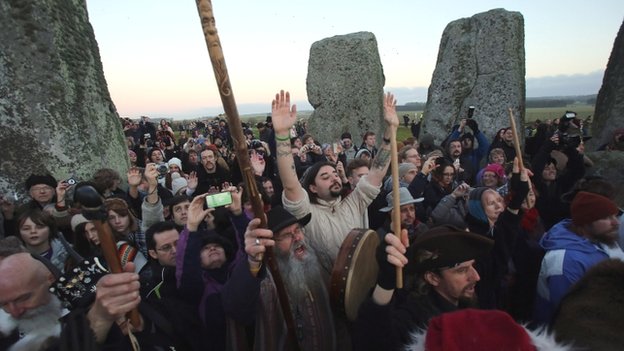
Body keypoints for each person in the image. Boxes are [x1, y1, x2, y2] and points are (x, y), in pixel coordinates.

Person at [272, 90, 398, 273]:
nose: (334, 178)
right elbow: (291, 185)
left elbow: (377, 171)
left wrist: (390, 130)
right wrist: (283, 135)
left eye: (335, 174)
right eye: (325, 177)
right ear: (312, 188)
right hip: (328, 292)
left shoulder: (354, 202)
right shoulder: (307, 215)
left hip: (364, 283)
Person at [353, 225, 493, 351]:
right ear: (433, 278)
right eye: (462, 270)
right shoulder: (416, 320)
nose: (476, 277)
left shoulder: (467, 301)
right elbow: (373, 343)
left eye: (472, 266)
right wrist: (386, 283)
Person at [223, 207, 336, 350]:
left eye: (298, 230)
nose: (297, 238)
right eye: (287, 235)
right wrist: (252, 261)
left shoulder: (319, 260)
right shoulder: (263, 279)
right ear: (271, 244)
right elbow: (237, 309)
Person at [534, 191, 622, 324]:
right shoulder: (565, 261)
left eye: (615, 216)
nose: (616, 223)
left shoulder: (601, 241)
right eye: (607, 218)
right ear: (586, 222)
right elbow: (569, 313)